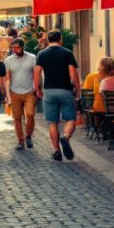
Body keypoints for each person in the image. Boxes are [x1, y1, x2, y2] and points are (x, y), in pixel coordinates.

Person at [34, 30, 80, 162]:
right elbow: (73, 72)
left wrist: (36, 88)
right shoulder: (67, 53)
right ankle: (65, 137)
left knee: (52, 123)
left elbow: (37, 72)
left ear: (48, 40)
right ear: (60, 39)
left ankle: (56, 151)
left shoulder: (42, 53)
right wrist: (78, 88)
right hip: (65, 90)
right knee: (70, 119)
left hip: (49, 91)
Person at [5, 38, 37, 150]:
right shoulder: (8, 60)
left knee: (30, 114)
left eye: (17, 47)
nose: (15, 50)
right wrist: (7, 95)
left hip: (29, 91)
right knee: (17, 117)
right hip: (14, 92)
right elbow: (7, 78)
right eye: (13, 48)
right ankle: (20, 141)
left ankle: (28, 135)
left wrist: (36, 88)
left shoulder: (32, 58)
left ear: (23, 47)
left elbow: (36, 74)